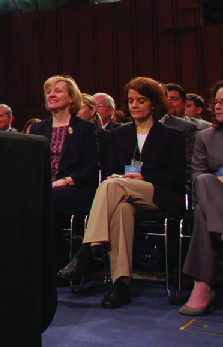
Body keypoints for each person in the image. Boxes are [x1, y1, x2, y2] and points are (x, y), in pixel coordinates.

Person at [58, 77, 186, 309]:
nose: (134, 105)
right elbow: (109, 171)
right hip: (123, 194)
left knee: (113, 185)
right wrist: (121, 179)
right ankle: (121, 284)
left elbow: (177, 179)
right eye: (131, 101)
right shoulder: (119, 135)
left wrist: (144, 177)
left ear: (154, 104)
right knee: (121, 208)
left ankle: (89, 249)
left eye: (141, 100)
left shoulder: (172, 135)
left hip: (159, 195)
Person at [29, 76, 100, 269]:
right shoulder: (38, 128)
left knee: (50, 197)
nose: (51, 95)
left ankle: (54, 265)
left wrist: (63, 181)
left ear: (71, 98)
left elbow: (91, 168)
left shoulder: (85, 128)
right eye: (49, 91)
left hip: (75, 189)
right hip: (45, 188)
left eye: (58, 91)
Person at [180, 80, 223, 315]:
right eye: (216, 102)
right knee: (205, 181)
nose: (217, 107)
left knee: (202, 214)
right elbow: (196, 175)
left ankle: (203, 285)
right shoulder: (205, 136)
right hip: (214, 194)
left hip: (212, 206)